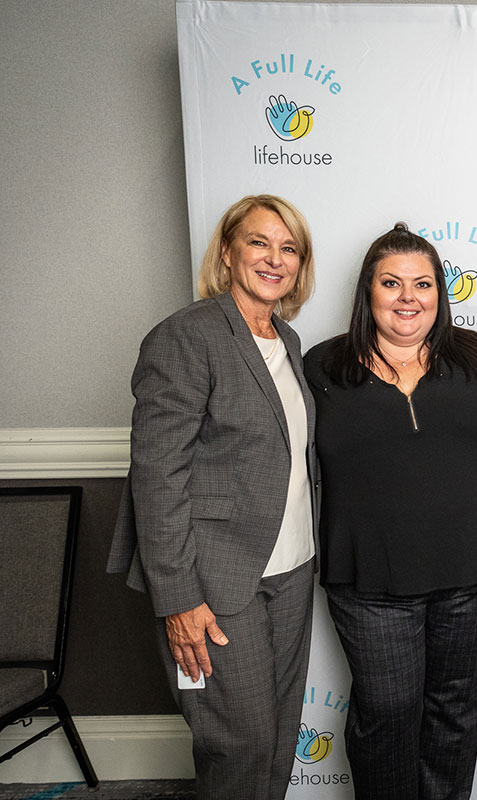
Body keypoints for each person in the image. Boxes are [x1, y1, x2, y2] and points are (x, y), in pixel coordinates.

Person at [107, 194, 317, 800]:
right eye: (259, 242)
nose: (274, 260)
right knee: (238, 744)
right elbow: (156, 475)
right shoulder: (185, 337)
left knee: (276, 740)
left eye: (289, 248)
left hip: (291, 568)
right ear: (227, 252)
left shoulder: (288, 342)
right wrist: (178, 599)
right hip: (217, 579)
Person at [304, 223, 477, 799]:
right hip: (368, 581)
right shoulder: (323, 368)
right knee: (386, 716)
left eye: (422, 283)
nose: (408, 297)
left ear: (440, 293)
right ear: (368, 291)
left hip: (470, 578)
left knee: (456, 716)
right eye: (391, 283)